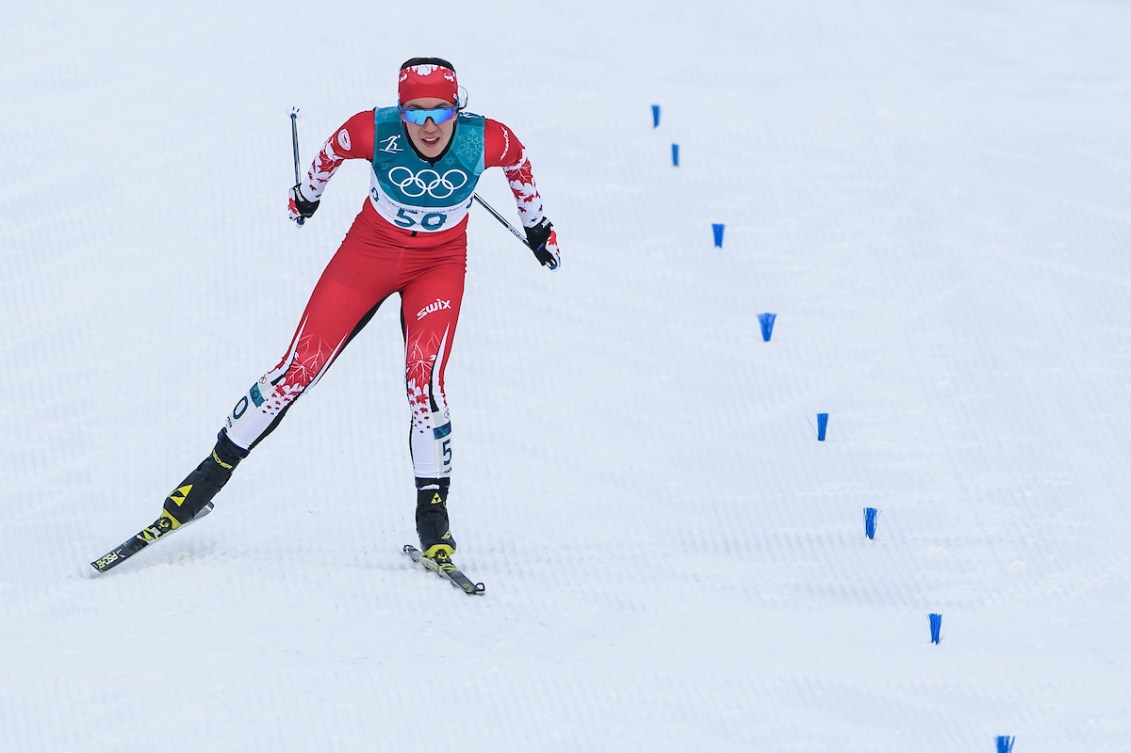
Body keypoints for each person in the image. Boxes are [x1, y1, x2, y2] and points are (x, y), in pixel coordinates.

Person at [155, 57, 560, 563]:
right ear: (400, 110)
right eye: (415, 113)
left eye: (441, 112)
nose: (429, 126)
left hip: (437, 266)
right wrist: (306, 197)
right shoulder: (371, 129)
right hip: (367, 257)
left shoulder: (489, 139)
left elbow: (520, 169)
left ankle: (433, 519)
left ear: (459, 108)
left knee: (424, 384)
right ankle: (201, 484)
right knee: (295, 370)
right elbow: (327, 156)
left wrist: (539, 228)